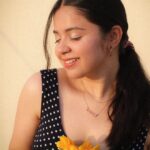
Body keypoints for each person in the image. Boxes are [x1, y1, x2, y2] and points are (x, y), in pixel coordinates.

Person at [9, 0, 150, 149]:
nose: (61, 49)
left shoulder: (144, 105)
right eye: (57, 39)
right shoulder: (41, 89)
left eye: (75, 36)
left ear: (113, 36)